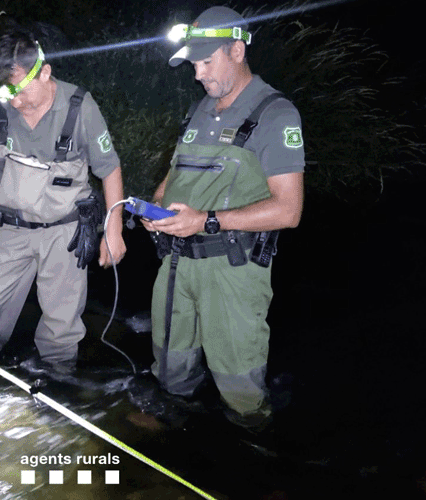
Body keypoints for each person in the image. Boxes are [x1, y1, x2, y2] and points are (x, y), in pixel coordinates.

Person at [0, 25, 126, 373]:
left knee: (61, 330)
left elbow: (109, 168)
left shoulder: (80, 106)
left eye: (19, 90)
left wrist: (114, 230)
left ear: (45, 72)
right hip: (11, 229)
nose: (13, 101)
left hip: (65, 233)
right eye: (7, 91)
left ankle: (59, 383)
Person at [141, 6, 305, 430]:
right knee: (170, 368)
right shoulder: (200, 110)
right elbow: (171, 180)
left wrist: (206, 221)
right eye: (193, 64)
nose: (198, 74)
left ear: (237, 50)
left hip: (232, 271)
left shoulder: (276, 114)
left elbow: (289, 211)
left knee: (239, 387)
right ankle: (173, 441)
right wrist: (154, 208)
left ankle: (254, 448)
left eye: (206, 62)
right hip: (175, 263)